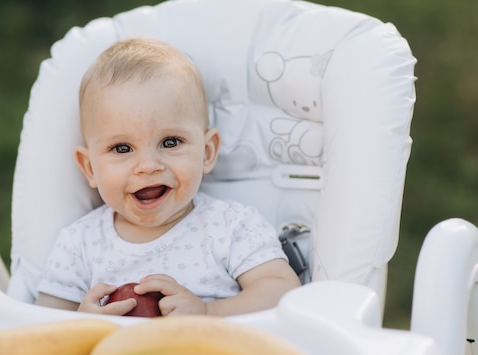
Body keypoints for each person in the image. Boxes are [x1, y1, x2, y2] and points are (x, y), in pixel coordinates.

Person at [36, 37, 300, 316]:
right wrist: (82, 323)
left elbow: (283, 292)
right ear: (90, 168)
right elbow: (42, 323)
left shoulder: (230, 227)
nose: (148, 165)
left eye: (171, 142)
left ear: (207, 152)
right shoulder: (80, 245)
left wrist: (207, 313)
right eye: (122, 148)